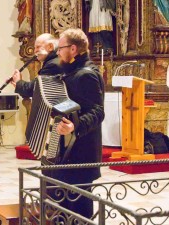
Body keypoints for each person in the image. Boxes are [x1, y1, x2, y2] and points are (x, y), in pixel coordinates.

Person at [51, 28, 105, 220]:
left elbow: (98, 112)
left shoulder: (86, 74)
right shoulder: (70, 72)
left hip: (81, 152)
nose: (57, 52)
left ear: (73, 49)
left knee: (79, 210)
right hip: (67, 151)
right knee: (62, 206)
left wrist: (75, 126)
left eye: (60, 47)